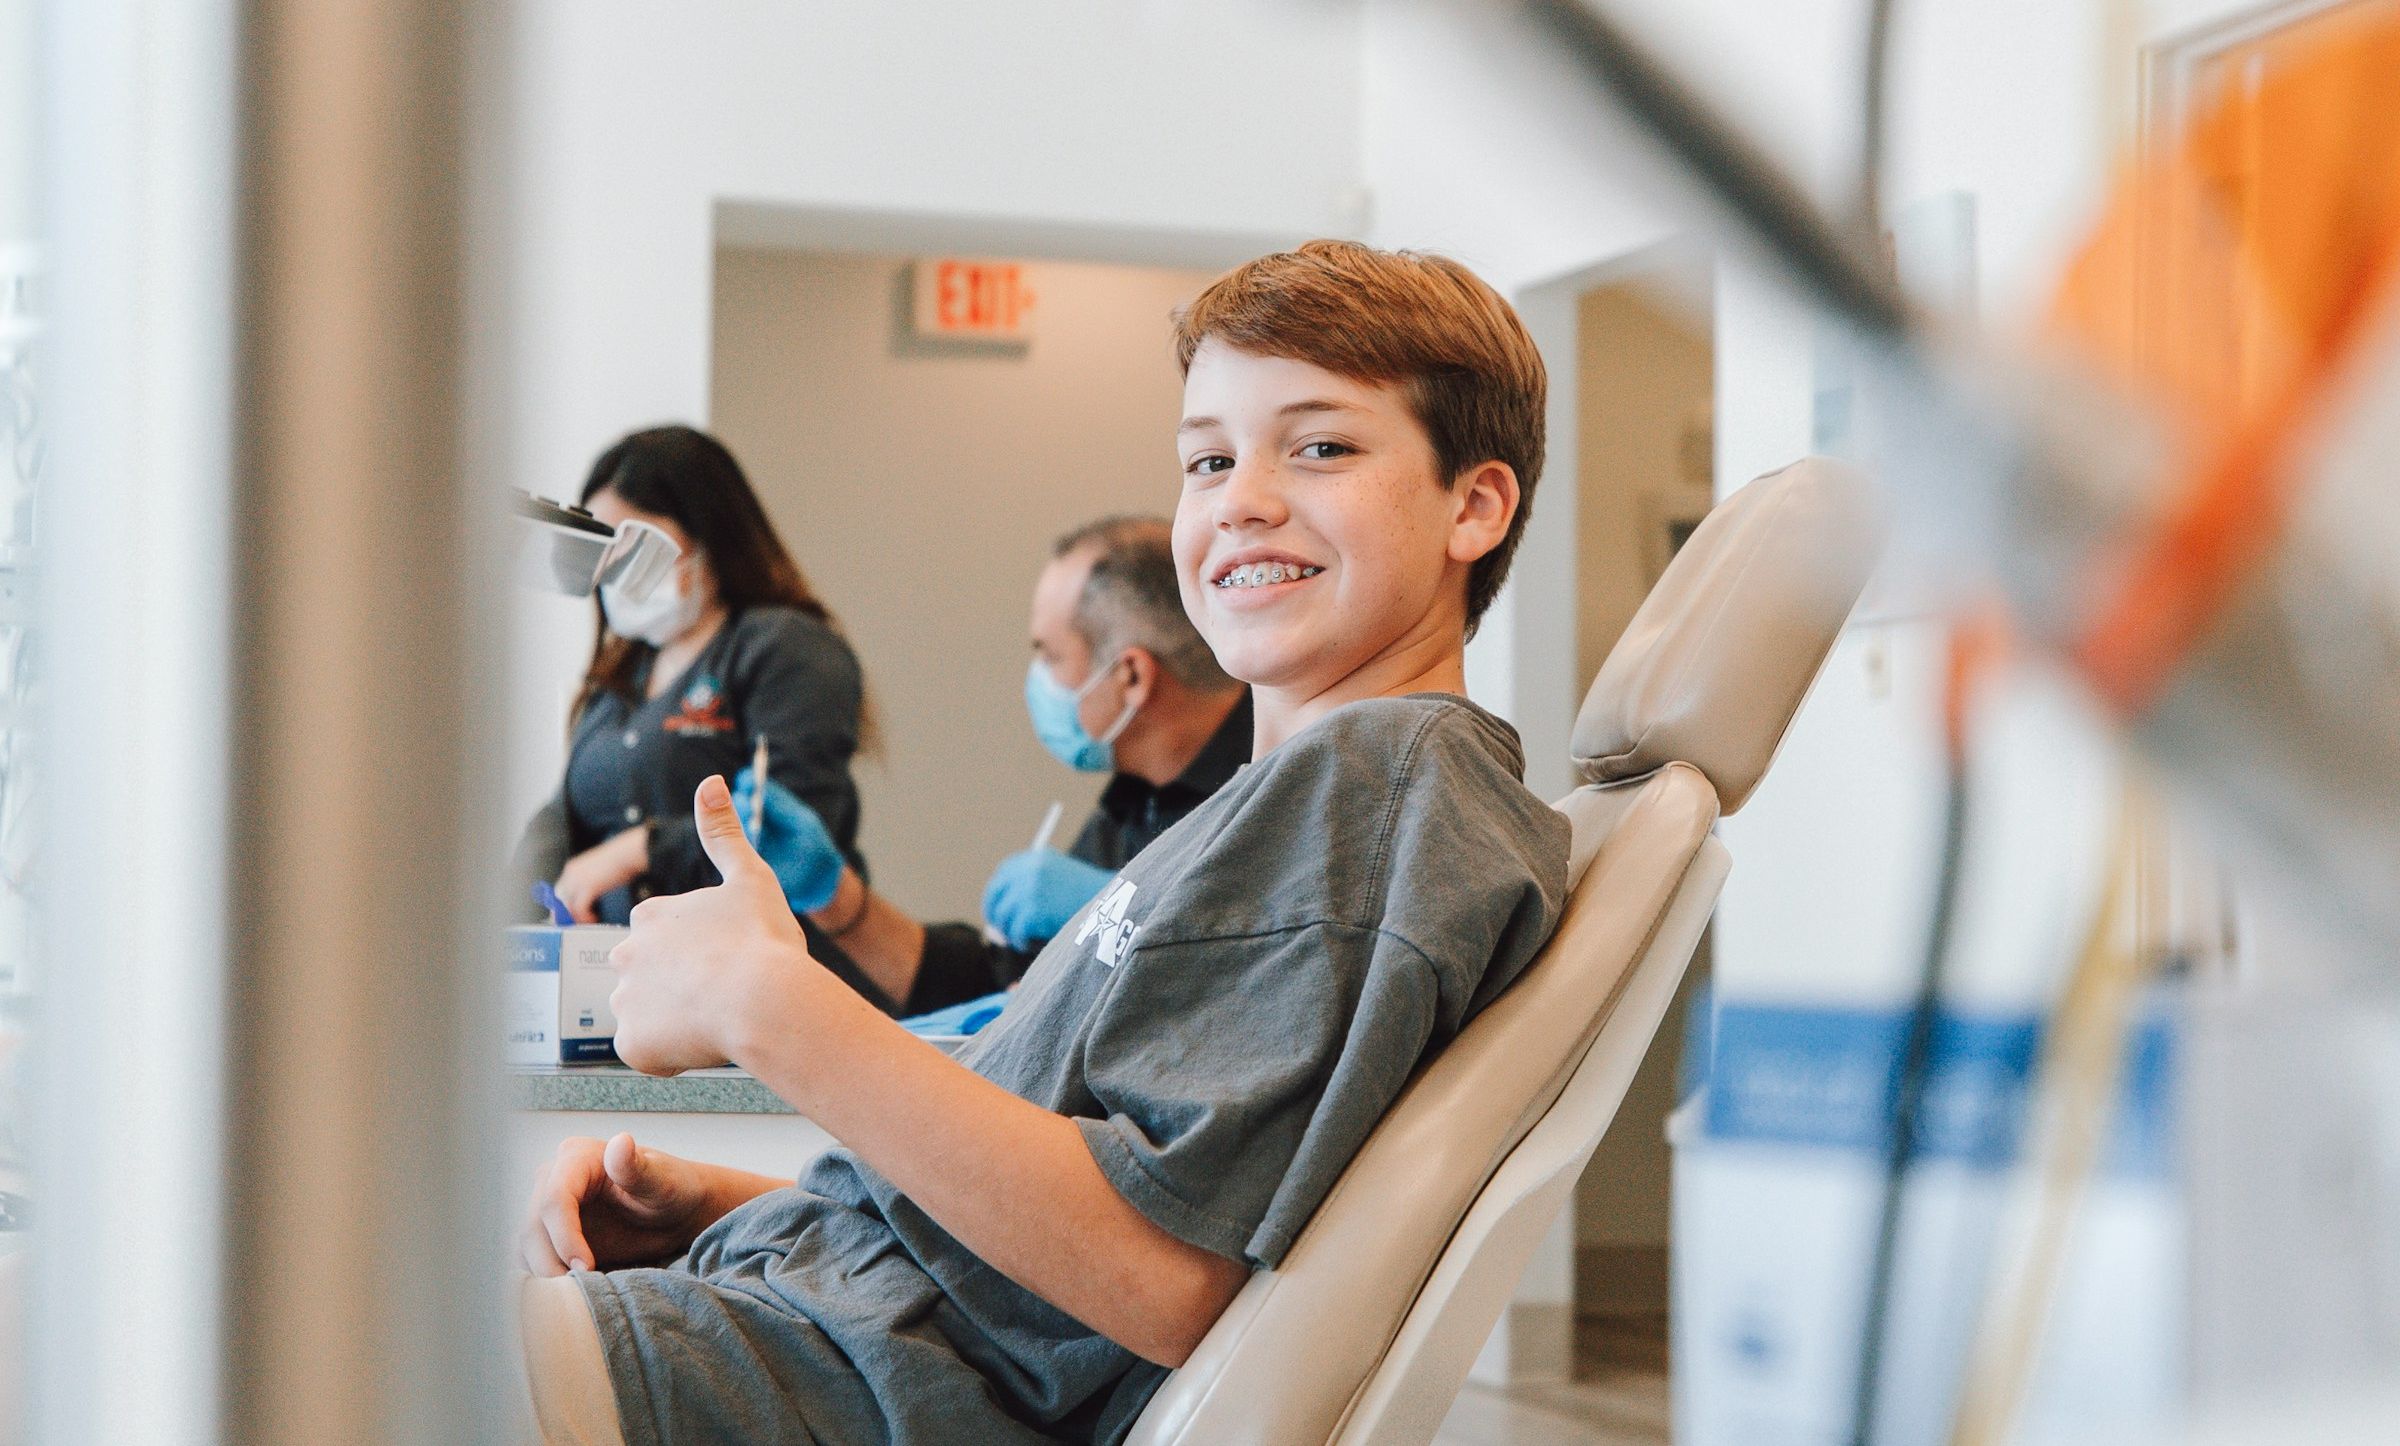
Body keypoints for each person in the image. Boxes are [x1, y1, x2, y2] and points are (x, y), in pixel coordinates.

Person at [518, 241, 1570, 1446]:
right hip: (814, 1318)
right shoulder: (1277, 807)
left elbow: (1165, 1282)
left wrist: (770, 1006)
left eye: (1320, 445)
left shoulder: (1378, 789)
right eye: (1208, 459)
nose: (1241, 497)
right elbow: (1063, 1245)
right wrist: (729, 1201)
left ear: (1475, 505)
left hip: (845, 1381)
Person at [735, 515, 1250, 1017]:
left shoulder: (1269, 790)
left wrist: (1118, 910)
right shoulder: (1134, 801)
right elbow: (1000, 988)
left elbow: (1254, 993)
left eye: (1049, 655)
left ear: (1131, 675)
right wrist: (834, 896)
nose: (1037, 680)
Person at [513, 425, 893, 1006]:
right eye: (603, 549)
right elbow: (566, 818)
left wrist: (641, 847)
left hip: (769, 993)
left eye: (635, 542)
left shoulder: (783, 648)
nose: (618, 569)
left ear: (708, 533)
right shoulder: (622, 677)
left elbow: (786, 823)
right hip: (637, 995)